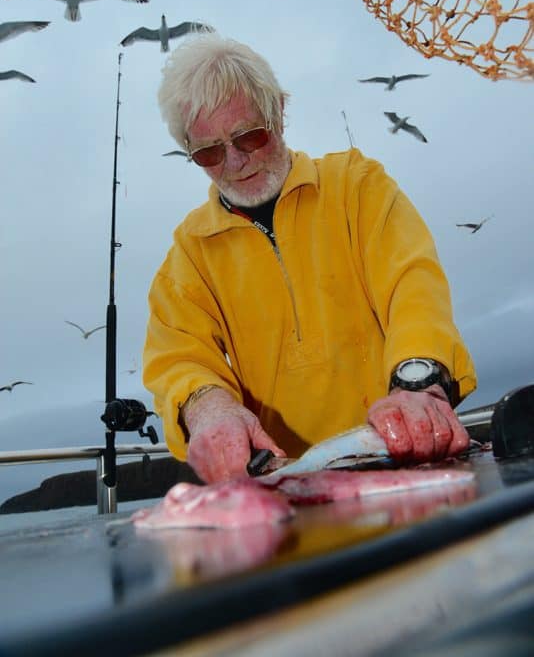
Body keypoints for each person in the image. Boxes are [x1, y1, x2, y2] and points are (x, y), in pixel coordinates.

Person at [143, 34, 477, 483]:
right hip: (287, 489)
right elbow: (178, 357)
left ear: (278, 112)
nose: (236, 162)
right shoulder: (189, 253)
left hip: (408, 462)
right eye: (208, 151)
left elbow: (413, 286)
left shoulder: (358, 187)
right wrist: (208, 408)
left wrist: (418, 384)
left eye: (250, 136)